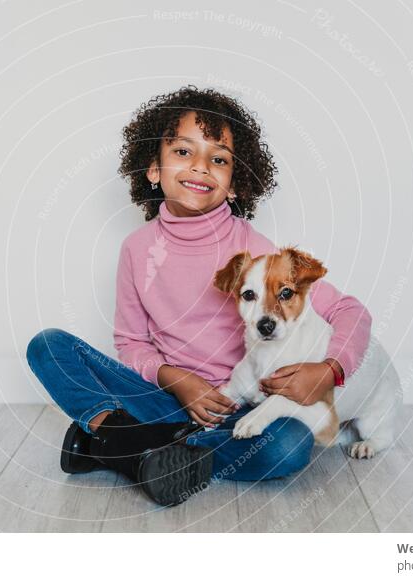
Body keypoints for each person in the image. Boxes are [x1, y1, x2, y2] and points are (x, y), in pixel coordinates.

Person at [26, 86, 372, 506]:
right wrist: (179, 381)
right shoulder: (137, 249)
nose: (201, 167)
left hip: (240, 405)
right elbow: (131, 343)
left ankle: (117, 446)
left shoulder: (255, 249)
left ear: (234, 184)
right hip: (167, 402)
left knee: (289, 446)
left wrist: (329, 370)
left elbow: (348, 309)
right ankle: (140, 444)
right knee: (48, 347)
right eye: (184, 152)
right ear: (153, 169)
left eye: (219, 159)